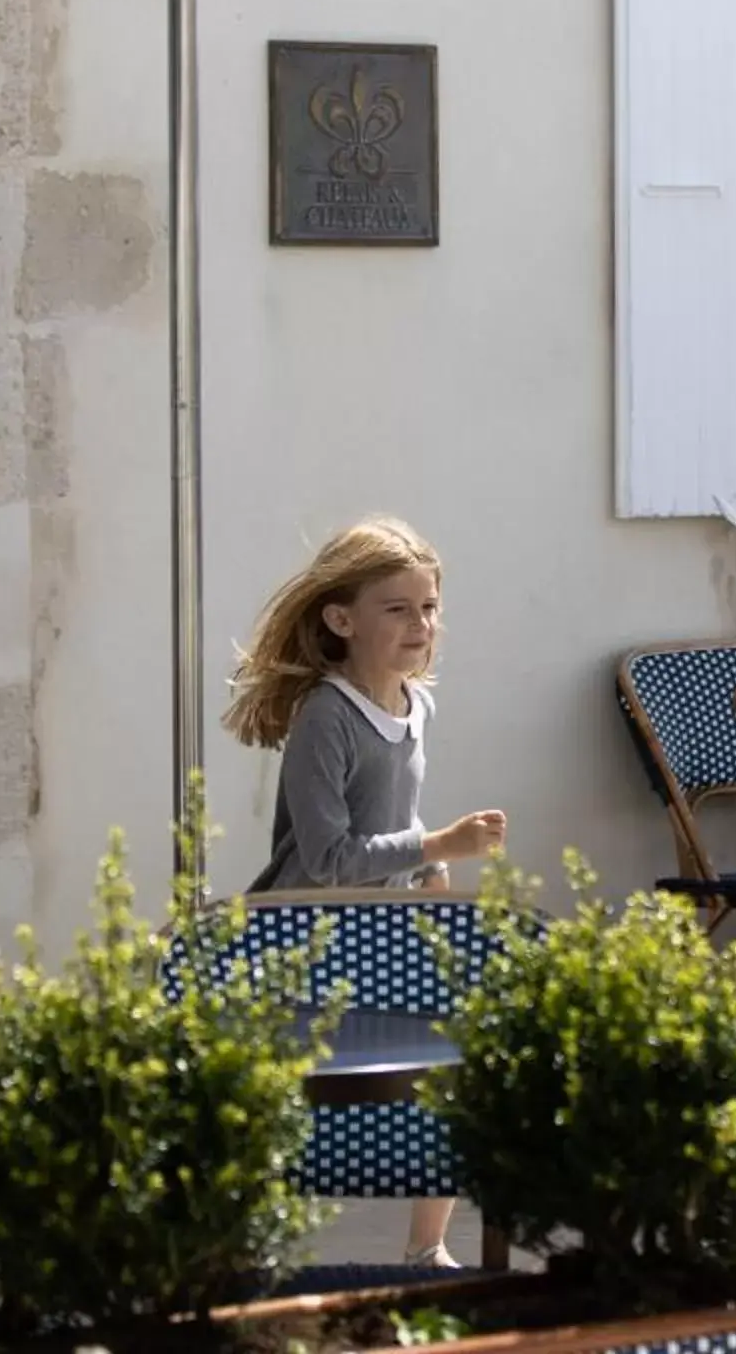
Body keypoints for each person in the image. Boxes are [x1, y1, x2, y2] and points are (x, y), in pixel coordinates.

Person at [227, 516, 506, 1268]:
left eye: (429, 607)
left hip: (384, 923)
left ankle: (429, 1245)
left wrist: (432, 881)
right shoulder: (325, 717)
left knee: (454, 1053)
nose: (421, 624)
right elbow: (327, 859)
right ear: (341, 619)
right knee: (285, 1096)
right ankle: (253, 1246)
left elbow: (399, 818)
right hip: (304, 933)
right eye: (398, 609)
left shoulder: (417, 705)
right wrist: (439, 845)